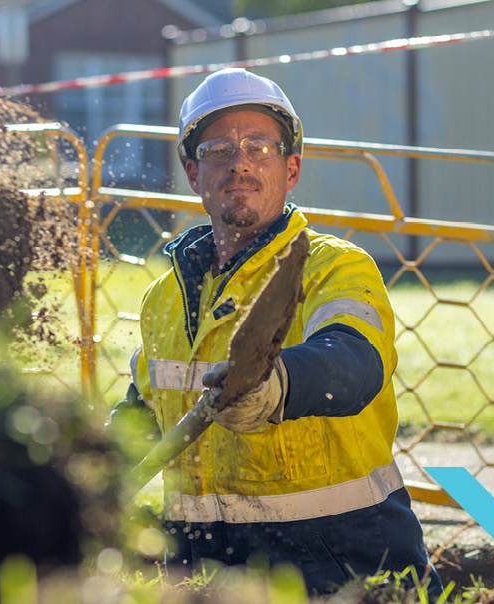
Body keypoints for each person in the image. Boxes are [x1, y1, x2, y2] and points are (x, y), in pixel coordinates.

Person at [108, 68, 440, 597]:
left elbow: (355, 359)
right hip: (204, 571)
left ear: (292, 168)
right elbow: (143, 413)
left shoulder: (335, 268)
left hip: (343, 564)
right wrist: (83, 479)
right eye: (218, 150)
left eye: (259, 147)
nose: (239, 162)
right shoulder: (163, 298)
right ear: (193, 174)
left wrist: (277, 385)